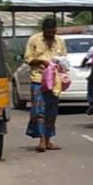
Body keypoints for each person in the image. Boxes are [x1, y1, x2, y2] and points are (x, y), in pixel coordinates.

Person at [23, 18, 66, 152]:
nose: (50, 35)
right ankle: (41, 140)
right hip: (38, 79)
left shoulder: (60, 41)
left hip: (55, 81)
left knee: (52, 111)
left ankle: (48, 140)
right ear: (43, 30)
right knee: (39, 111)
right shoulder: (34, 40)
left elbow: (64, 59)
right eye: (48, 33)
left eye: (52, 32)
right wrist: (42, 62)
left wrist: (59, 64)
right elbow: (28, 58)